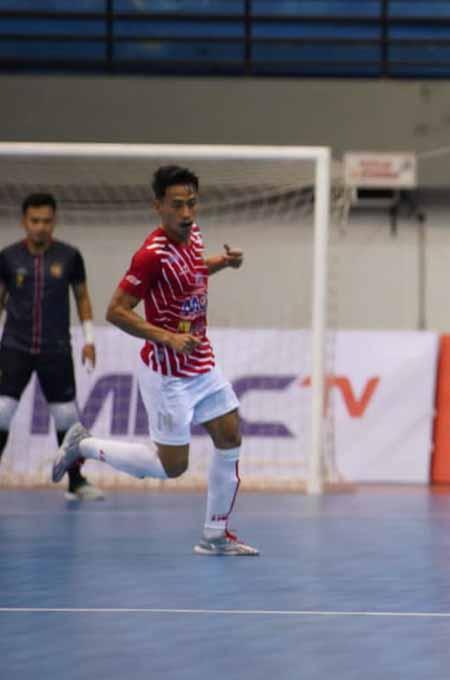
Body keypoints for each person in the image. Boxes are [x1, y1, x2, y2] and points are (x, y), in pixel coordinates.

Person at [51, 165, 258, 556]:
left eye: (192, 204)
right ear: (158, 206)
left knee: (230, 435)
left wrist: (223, 263)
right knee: (171, 467)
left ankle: (214, 536)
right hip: (167, 375)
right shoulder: (150, 256)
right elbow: (116, 311)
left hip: (200, 361)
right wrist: (167, 337)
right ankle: (85, 445)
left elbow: (192, 272)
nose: (186, 213)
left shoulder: (193, 235)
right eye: (177, 205)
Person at [0, 193, 102, 501]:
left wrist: (89, 339)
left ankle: (76, 481)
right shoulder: (7, 258)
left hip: (56, 349)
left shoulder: (70, 257)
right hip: (14, 348)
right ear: (24, 222)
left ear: (54, 221)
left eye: (46, 220)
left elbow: (82, 297)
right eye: (35, 221)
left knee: (66, 417)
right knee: (2, 411)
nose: (41, 227)